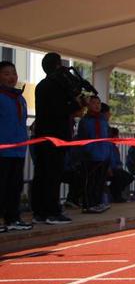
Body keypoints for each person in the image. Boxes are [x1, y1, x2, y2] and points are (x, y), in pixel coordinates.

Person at [31, 52, 83, 225]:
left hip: (43, 137)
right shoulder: (55, 86)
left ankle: (39, 211)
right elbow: (62, 109)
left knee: (42, 175)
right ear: (56, 66)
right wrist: (76, 102)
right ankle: (51, 212)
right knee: (52, 175)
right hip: (54, 137)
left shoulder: (42, 85)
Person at [0, 61, 32, 232]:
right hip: (3, 150)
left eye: (13, 73)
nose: (11, 77)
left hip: (18, 151)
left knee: (15, 186)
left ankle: (13, 218)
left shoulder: (20, 98)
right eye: (6, 73)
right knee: (1, 186)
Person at [76, 95, 111, 213]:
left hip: (103, 155)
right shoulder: (85, 121)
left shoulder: (103, 121)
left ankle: (97, 202)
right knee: (90, 181)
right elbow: (83, 139)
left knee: (99, 182)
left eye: (98, 103)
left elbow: (106, 138)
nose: (96, 105)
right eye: (94, 103)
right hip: (90, 156)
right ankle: (88, 205)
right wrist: (88, 151)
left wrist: (107, 153)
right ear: (88, 105)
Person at [106, 127, 133, 203]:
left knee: (129, 177)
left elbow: (118, 161)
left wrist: (120, 166)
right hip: (109, 169)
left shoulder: (115, 148)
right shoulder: (107, 146)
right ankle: (116, 195)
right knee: (120, 177)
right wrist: (109, 168)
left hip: (116, 169)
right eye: (116, 136)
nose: (117, 138)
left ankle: (113, 191)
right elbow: (106, 159)